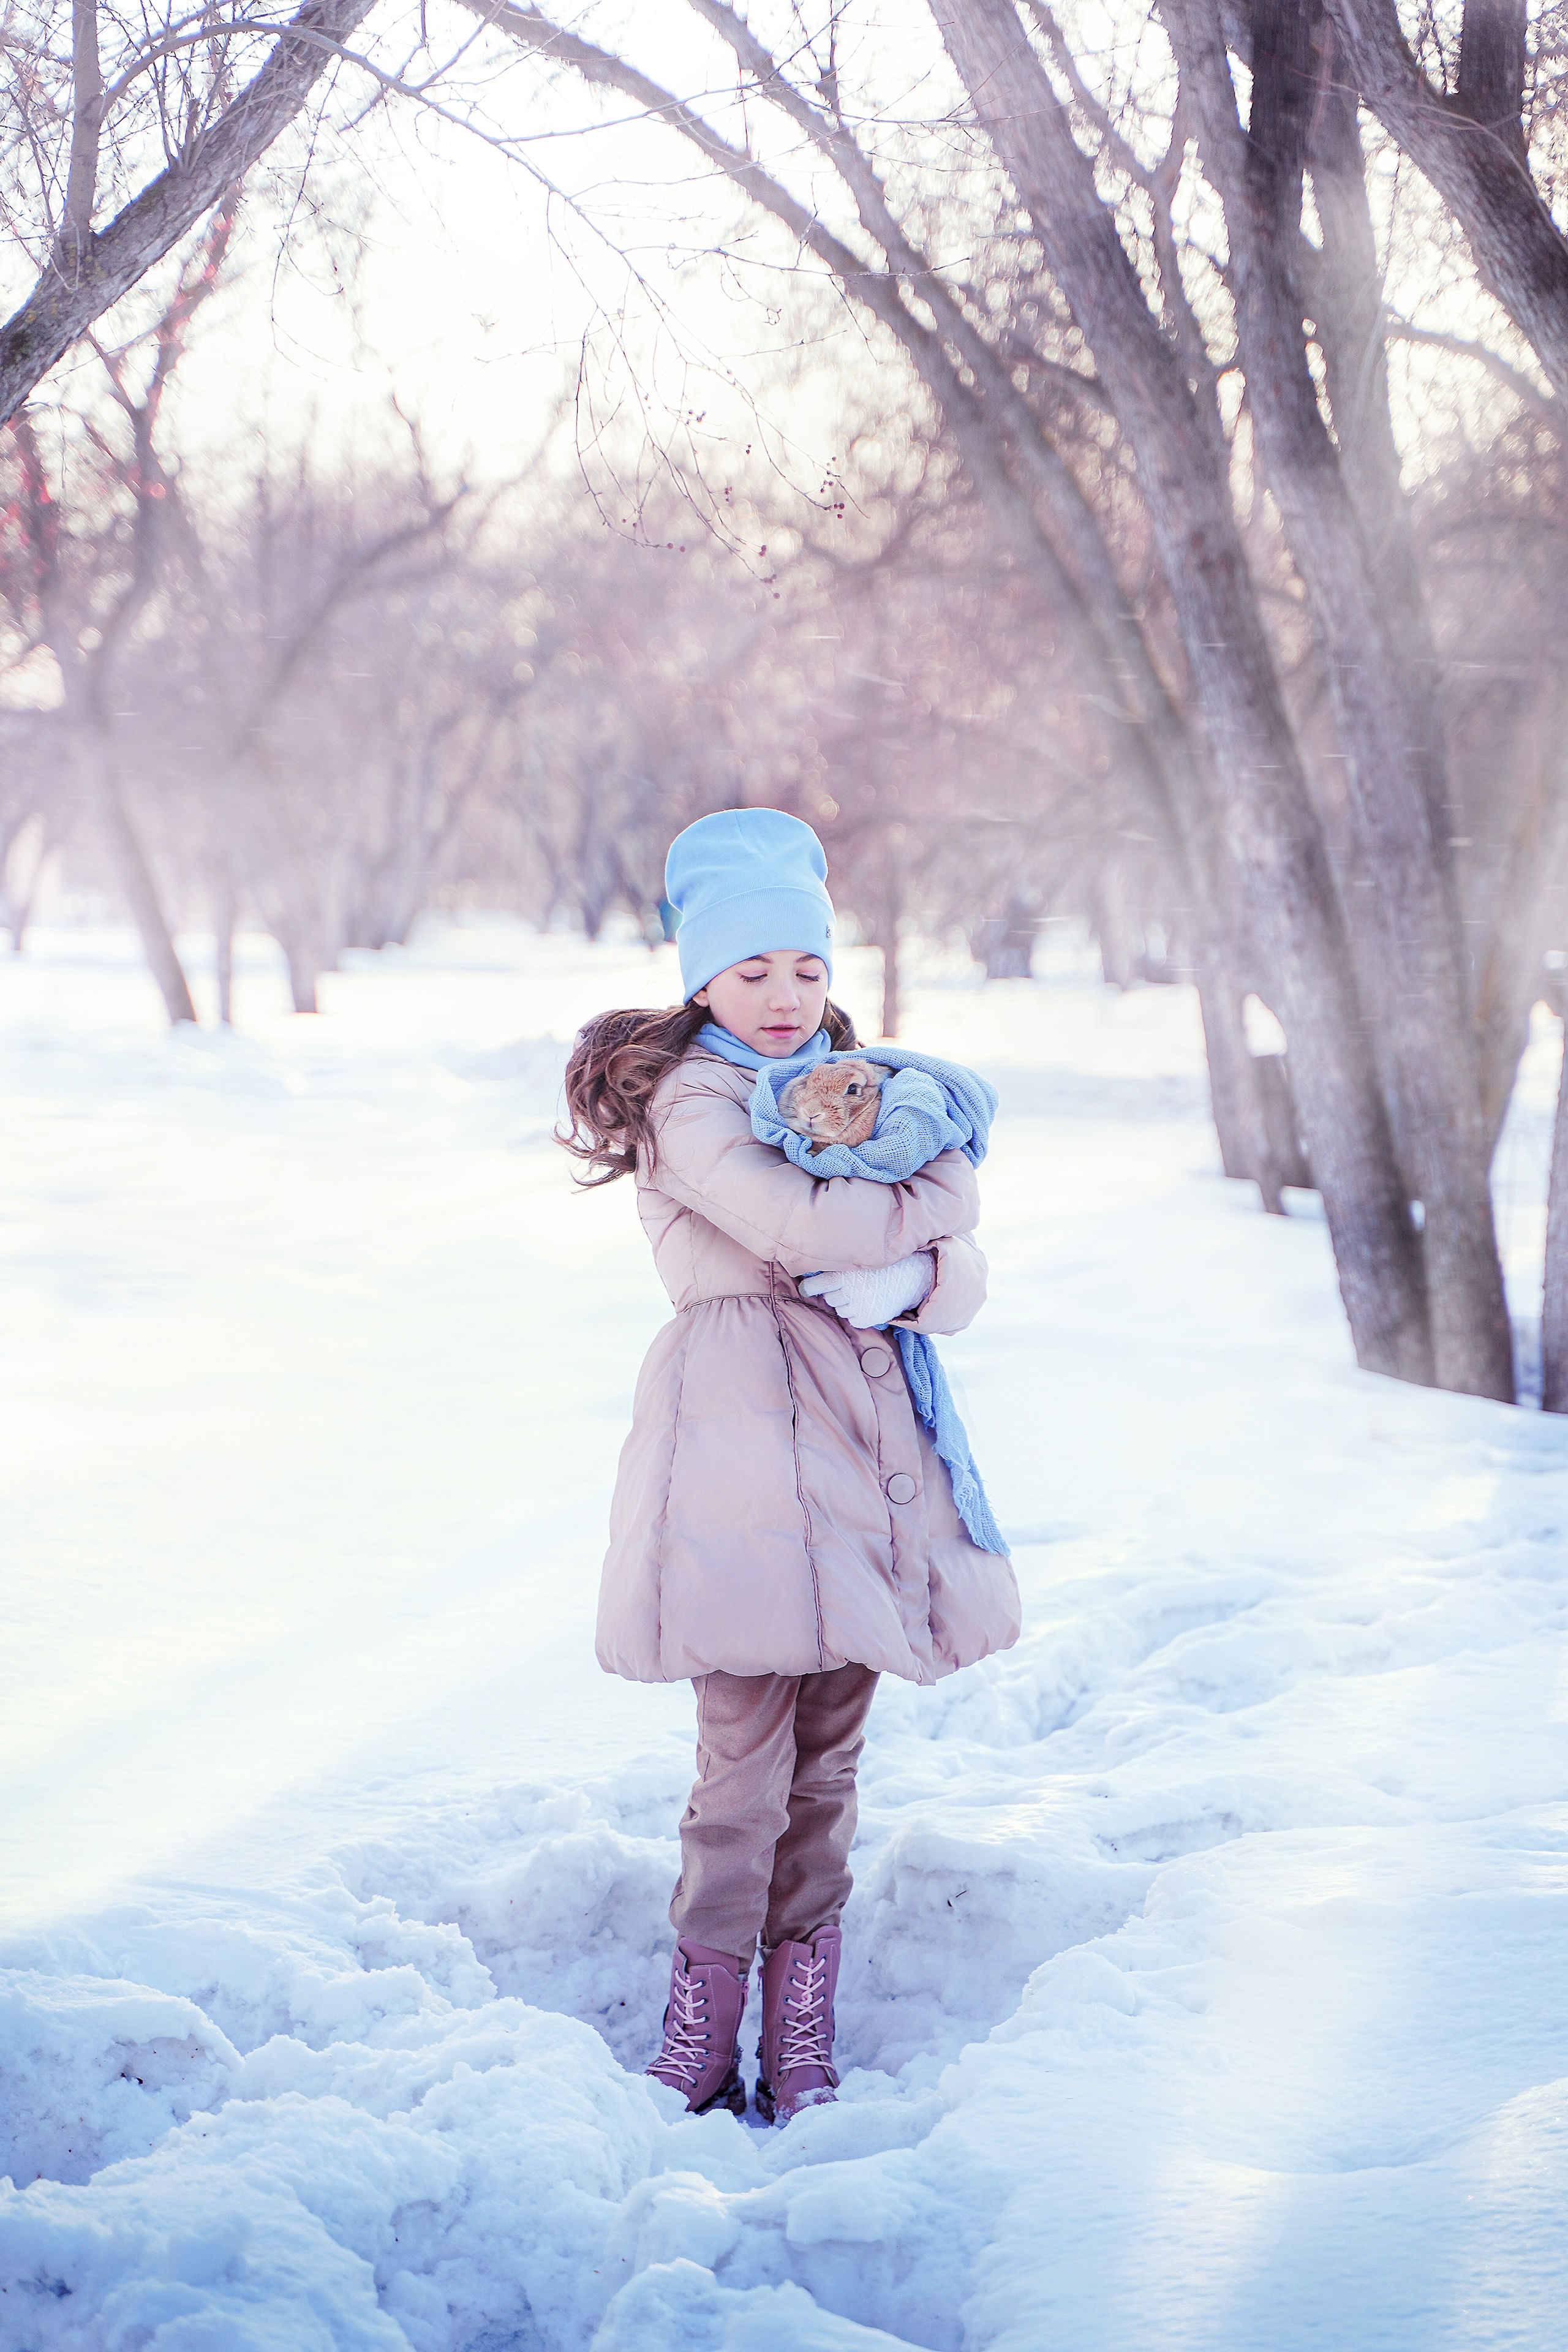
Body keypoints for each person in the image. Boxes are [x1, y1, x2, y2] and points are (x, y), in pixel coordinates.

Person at [558, 808, 1021, 2125]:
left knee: (826, 1759)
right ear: (700, 977)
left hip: (861, 1438)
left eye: (805, 970)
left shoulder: (855, 1085)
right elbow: (800, 1222)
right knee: (741, 1762)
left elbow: (948, 1281)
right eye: (752, 970)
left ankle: (799, 2022)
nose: (782, 997)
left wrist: (923, 1270)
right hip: (741, 1444)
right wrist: (943, 1212)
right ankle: (700, 2029)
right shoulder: (692, 1097)